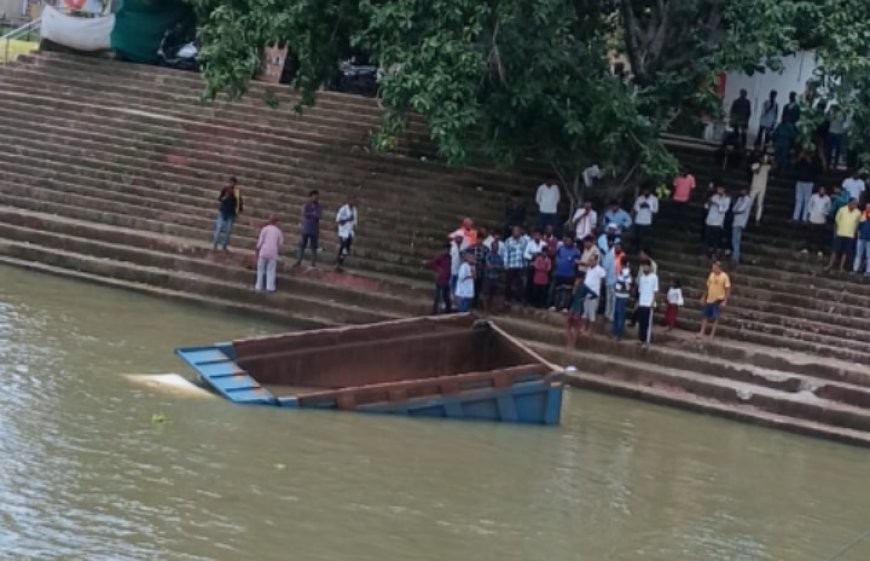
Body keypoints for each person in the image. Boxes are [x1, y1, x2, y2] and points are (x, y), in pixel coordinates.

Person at [698, 261, 731, 339]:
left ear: (719, 268)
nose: (713, 269)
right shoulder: (711, 275)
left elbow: (728, 289)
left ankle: (712, 334)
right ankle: (702, 332)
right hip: (710, 298)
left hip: (718, 299)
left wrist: (725, 301)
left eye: (715, 267)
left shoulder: (724, 276)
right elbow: (708, 287)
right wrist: (703, 297)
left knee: (716, 317)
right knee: (705, 316)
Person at [828, 198, 861, 272]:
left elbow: (857, 224)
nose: (855, 205)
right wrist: (835, 233)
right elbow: (836, 222)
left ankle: (841, 267)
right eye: (853, 203)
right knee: (835, 250)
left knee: (845, 252)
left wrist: (855, 233)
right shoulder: (842, 209)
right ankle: (830, 264)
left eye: (856, 204)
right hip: (840, 233)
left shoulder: (858, 212)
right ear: (849, 203)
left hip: (850, 235)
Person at [551, 235, 581, 311]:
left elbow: (577, 263)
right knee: (557, 290)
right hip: (559, 273)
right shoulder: (560, 249)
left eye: (569, 240)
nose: (567, 242)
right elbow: (556, 258)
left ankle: (565, 307)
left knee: (567, 291)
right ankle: (555, 305)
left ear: (572, 241)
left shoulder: (576, 251)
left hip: (570, 274)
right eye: (566, 240)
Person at [254, 215, 284, 292]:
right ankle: (270, 287)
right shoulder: (278, 232)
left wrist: (257, 250)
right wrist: (279, 251)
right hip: (273, 253)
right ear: (276, 222)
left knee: (260, 269)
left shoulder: (265, 229)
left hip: (263, 251)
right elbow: (280, 244)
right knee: (271, 270)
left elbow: (260, 242)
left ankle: (258, 286)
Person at [213, 176, 243, 251]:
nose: (232, 184)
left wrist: (238, 211)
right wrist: (225, 197)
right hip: (223, 211)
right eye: (231, 182)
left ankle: (224, 245)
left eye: (233, 183)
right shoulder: (225, 189)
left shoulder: (237, 191)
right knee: (219, 228)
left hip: (231, 213)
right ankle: (215, 244)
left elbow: (239, 202)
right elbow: (220, 199)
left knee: (228, 230)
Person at [295, 190, 322, 267]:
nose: (316, 198)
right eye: (314, 196)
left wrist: (310, 214)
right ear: (310, 197)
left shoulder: (318, 206)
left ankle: (313, 262)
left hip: (314, 229)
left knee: (314, 247)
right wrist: (312, 214)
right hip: (306, 227)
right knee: (302, 245)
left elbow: (318, 215)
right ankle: (298, 260)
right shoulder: (306, 205)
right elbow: (304, 213)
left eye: (317, 196)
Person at [581, 254, 606, 334]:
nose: (590, 262)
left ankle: (590, 330)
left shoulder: (600, 270)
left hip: (594, 294)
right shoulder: (588, 269)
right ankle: (583, 327)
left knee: (592, 314)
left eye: (592, 260)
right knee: (585, 312)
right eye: (590, 260)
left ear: (596, 261)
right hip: (586, 293)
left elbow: (602, 282)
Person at [425, 243, 453, 315]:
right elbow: (430, 263)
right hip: (440, 280)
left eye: (448, 249)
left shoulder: (449, 257)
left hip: (447, 280)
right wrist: (438, 269)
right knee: (438, 296)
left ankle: (448, 310)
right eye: (446, 249)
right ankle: (435, 311)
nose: (447, 251)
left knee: (446, 296)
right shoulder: (440, 257)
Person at [636, 260, 659, 345]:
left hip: (648, 303)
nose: (644, 268)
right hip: (642, 302)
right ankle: (641, 339)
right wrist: (638, 302)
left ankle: (646, 340)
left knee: (646, 323)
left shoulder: (654, 277)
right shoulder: (642, 278)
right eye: (643, 266)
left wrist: (653, 302)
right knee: (641, 322)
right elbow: (640, 291)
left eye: (646, 266)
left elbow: (655, 291)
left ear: (649, 267)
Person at [705, 184, 731, 259]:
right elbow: (706, 206)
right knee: (707, 238)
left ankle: (714, 254)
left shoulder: (726, 199)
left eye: (720, 189)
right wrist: (709, 203)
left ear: (724, 190)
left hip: (718, 222)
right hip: (709, 220)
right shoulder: (714, 197)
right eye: (718, 189)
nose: (719, 191)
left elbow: (724, 210)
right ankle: (706, 253)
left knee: (716, 240)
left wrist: (717, 204)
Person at [793, 149, 819, 222]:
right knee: (799, 200)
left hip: (809, 182)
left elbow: (812, 164)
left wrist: (806, 156)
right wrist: (800, 156)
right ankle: (796, 217)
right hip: (800, 181)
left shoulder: (814, 159)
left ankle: (804, 218)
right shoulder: (801, 160)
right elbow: (795, 164)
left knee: (807, 201)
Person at [503, 227, 527, 303]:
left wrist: (525, 265)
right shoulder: (508, 240)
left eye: (517, 231)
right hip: (510, 265)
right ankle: (507, 299)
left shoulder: (524, 241)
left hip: (520, 265)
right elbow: (506, 253)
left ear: (520, 232)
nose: (516, 232)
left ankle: (519, 299)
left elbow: (525, 252)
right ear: (512, 232)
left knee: (520, 284)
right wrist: (505, 265)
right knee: (508, 283)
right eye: (514, 231)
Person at [805, 186, 831, 256]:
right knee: (810, 235)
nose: (822, 192)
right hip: (813, 218)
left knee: (820, 236)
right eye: (821, 190)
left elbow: (828, 209)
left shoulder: (827, 199)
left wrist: (825, 213)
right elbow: (809, 206)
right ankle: (807, 248)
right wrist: (810, 213)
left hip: (821, 220)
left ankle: (820, 250)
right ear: (818, 190)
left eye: (823, 190)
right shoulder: (814, 197)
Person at [334, 195, 358, 271]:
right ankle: (337, 263)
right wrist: (348, 219)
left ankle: (341, 262)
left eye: (354, 200)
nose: (352, 202)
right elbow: (339, 221)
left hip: (350, 232)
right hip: (343, 231)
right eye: (351, 200)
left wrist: (354, 232)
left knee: (346, 249)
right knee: (343, 247)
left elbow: (355, 222)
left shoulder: (355, 210)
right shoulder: (343, 209)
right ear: (348, 201)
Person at [603, 240, 625, 321]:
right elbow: (605, 266)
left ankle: (612, 315)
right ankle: (607, 313)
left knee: (614, 299)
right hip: (609, 279)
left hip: (618, 281)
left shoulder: (623, 256)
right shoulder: (610, 254)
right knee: (608, 298)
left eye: (619, 247)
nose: (617, 248)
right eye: (616, 246)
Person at [523, 230, 547, 301]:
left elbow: (545, 254)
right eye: (535, 235)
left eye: (538, 235)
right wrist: (532, 256)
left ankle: (537, 301)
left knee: (539, 285)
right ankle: (527, 299)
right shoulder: (530, 244)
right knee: (529, 283)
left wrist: (540, 255)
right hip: (532, 265)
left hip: (541, 268)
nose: (537, 237)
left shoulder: (544, 244)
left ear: (541, 236)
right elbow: (525, 254)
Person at [482, 239, 505, 313]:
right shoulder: (488, 255)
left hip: (496, 277)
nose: (496, 248)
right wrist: (496, 267)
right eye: (495, 246)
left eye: (497, 246)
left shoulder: (499, 257)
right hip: (488, 277)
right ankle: (486, 309)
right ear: (491, 247)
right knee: (486, 294)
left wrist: (494, 266)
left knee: (495, 294)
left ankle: (493, 309)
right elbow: (489, 266)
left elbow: (501, 267)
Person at [731, 186, 752, 265]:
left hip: (741, 221)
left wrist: (736, 211)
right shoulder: (740, 199)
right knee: (734, 240)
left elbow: (741, 210)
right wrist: (736, 210)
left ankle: (735, 258)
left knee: (736, 241)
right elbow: (734, 208)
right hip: (736, 221)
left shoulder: (748, 200)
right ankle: (735, 256)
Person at [611, 264, 632, 341]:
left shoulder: (626, 274)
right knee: (617, 314)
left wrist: (619, 285)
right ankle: (615, 332)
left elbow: (625, 285)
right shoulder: (621, 274)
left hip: (622, 296)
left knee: (619, 315)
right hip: (618, 295)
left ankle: (618, 334)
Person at [827, 104, 846, 169]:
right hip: (839, 133)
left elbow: (828, 119)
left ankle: (828, 163)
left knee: (830, 149)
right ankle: (834, 165)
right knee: (837, 150)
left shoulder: (832, 113)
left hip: (832, 132)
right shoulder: (842, 115)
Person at [853, 207, 870, 274]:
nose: (868, 209)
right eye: (868, 207)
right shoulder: (864, 215)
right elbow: (859, 226)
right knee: (858, 254)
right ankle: (855, 269)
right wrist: (858, 233)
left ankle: (868, 271)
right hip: (861, 237)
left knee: (869, 255)